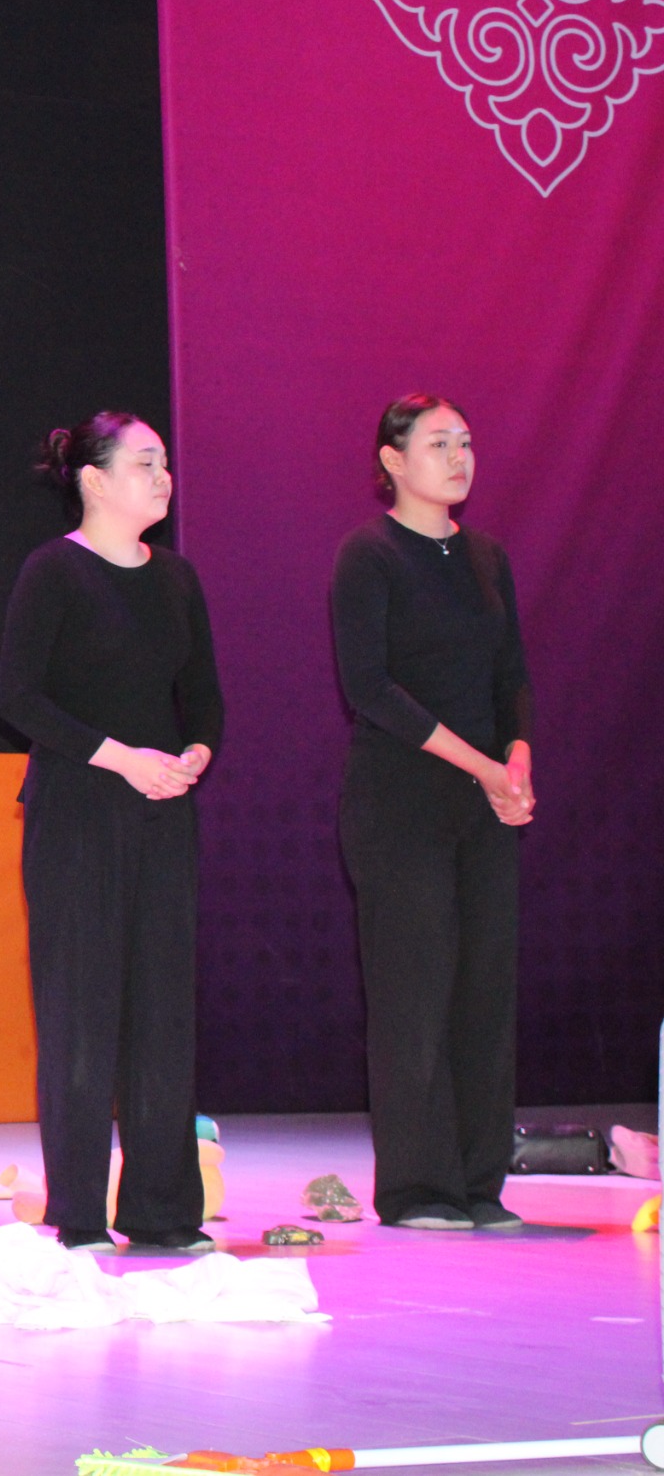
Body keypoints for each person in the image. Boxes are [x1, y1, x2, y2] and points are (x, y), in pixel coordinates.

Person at [0, 411, 222, 1254]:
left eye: (165, 463)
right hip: (79, 810)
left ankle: (163, 1209)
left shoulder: (178, 579)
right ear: (93, 480)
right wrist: (122, 759)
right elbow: (18, 697)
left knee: (163, 1009)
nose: (163, 477)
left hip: (163, 811)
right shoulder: (53, 571)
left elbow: (204, 699)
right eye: (143, 463)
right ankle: (80, 1212)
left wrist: (195, 753)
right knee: (81, 1010)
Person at [329, 393, 532, 1232]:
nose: (459, 457)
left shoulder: (486, 557)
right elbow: (370, 688)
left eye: (467, 442)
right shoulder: (368, 556)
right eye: (439, 443)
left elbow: (511, 674)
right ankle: (419, 1188)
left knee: (485, 989)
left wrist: (516, 760)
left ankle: (481, 1182)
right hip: (400, 803)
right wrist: (482, 765)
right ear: (392, 460)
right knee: (413, 992)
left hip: (485, 803)